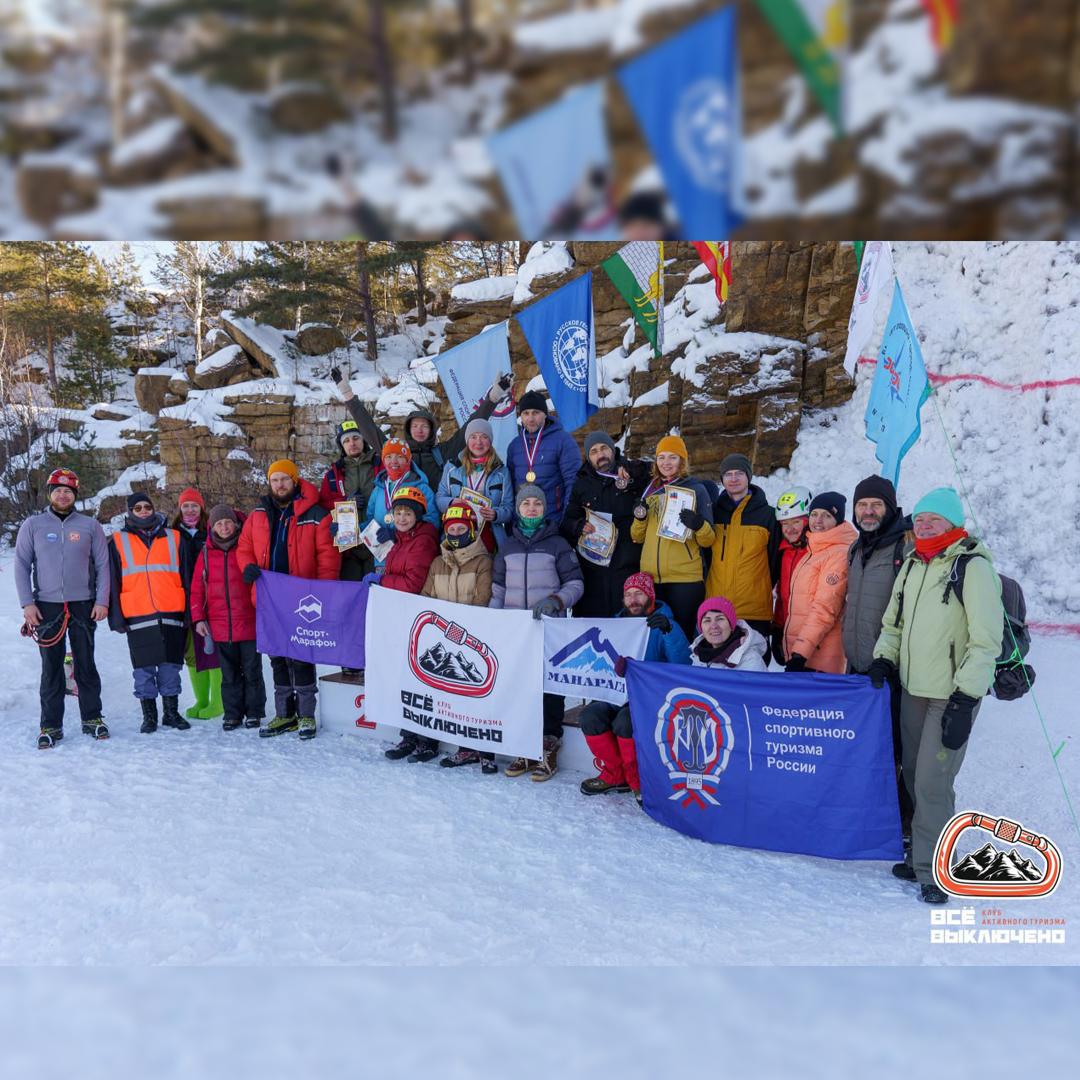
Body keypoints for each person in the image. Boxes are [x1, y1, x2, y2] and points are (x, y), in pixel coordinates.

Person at [870, 487, 1002, 905]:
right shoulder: (913, 564)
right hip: (913, 689)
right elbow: (893, 623)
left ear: (952, 523)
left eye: (934, 519)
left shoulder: (972, 568)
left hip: (951, 695)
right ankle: (923, 854)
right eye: (920, 519)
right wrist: (884, 659)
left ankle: (936, 868)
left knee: (932, 780)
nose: (924, 525)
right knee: (913, 774)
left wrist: (967, 696)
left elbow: (986, 641)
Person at [238, 460, 340, 740]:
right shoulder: (258, 513)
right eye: (275, 480)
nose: (280, 484)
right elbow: (244, 546)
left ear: (295, 481)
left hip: (302, 599)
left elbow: (328, 559)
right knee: (278, 658)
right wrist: (246, 566)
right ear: (269, 483)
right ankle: (284, 714)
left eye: (285, 479)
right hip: (269, 598)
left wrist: (324, 593)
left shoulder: (316, 514)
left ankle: (306, 714)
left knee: (301, 656)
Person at [490, 484, 584, 781]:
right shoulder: (507, 546)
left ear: (545, 509)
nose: (531, 508)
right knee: (520, 688)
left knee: (548, 688)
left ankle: (548, 745)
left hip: (548, 628)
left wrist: (556, 600)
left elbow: (576, 584)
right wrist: (493, 622)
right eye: (526, 504)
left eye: (537, 504)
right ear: (517, 509)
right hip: (516, 632)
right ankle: (524, 747)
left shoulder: (558, 544)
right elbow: (498, 589)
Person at [14, 468, 110, 749]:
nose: (63, 494)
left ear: (75, 495)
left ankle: (92, 718)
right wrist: (27, 603)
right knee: (51, 667)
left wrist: (102, 600)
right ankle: (51, 725)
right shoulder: (33, 525)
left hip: (83, 604)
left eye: (68, 490)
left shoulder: (90, 526)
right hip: (46, 606)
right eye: (57, 490)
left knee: (85, 663)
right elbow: (21, 565)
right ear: (50, 493)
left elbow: (103, 566)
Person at [842, 476, 914, 839]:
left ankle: (903, 823)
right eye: (862, 505)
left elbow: (909, 612)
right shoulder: (859, 547)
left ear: (889, 508)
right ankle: (873, 811)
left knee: (897, 748)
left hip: (894, 667)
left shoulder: (904, 547)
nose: (868, 512)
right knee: (869, 745)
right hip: (859, 665)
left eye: (876, 505)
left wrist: (890, 657)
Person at [580, 572, 690, 801]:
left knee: (625, 723)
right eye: (628, 595)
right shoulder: (617, 623)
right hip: (617, 693)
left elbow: (682, 664)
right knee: (590, 716)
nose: (633, 600)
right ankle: (614, 774)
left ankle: (637, 780)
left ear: (650, 595)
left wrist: (669, 631)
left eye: (638, 594)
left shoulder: (665, 623)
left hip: (649, 697)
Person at [420, 502, 497, 772]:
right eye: (451, 528)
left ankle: (487, 750)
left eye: (461, 528)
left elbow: (483, 598)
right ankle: (465, 749)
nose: (455, 532)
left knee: (477, 693)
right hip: (444, 639)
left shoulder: (483, 561)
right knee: (455, 696)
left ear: (472, 530)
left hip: (471, 639)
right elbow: (426, 599)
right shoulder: (437, 562)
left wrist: (463, 630)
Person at [107, 492, 192, 734]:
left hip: (172, 611)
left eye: (147, 507)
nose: (144, 511)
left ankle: (171, 713)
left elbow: (187, 576)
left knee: (170, 666)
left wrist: (189, 613)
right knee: (143, 669)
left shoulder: (176, 538)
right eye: (138, 508)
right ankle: (149, 715)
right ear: (130, 512)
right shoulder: (117, 541)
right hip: (136, 613)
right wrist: (116, 616)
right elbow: (112, 581)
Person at [629, 435, 714, 641]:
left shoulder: (696, 490)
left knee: (682, 636)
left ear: (682, 461)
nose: (666, 463)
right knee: (656, 638)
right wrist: (639, 517)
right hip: (651, 579)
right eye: (661, 457)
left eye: (673, 457)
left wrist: (698, 524)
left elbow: (708, 539)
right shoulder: (650, 491)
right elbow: (636, 537)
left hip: (685, 580)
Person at [190, 505, 265, 732]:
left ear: (236, 524)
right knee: (229, 674)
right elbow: (196, 591)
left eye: (228, 522)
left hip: (249, 622)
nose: (224, 527)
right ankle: (232, 714)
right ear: (212, 526)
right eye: (219, 523)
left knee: (252, 671)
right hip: (220, 626)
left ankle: (253, 713)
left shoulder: (246, 547)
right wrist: (198, 619)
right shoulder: (205, 553)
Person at [561, 431, 650, 618]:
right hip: (593, 570)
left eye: (604, 448)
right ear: (588, 456)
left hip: (627, 566)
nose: (600, 454)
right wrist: (578, 526)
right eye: (593, 451)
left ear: (613, 450)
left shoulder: (629, 474)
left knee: (626, 625)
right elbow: (567, 521)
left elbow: (653, 471)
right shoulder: (582, 482)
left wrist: (632, 471)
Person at [704, 453, 780, 663]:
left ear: (749, 477)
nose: (734, 478)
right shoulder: (713, 514)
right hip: (717, 610)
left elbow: (774, 562)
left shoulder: (767, 515)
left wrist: (757, 585)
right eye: (728, 474)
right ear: (722, 479)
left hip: (754, 610)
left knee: (753, 669)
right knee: (718, 670)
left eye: (739, 473)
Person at [780, 492, 857, 674]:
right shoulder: (815, 550)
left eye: (827, 516)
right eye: (814, 514)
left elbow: (824, 609)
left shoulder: (838, 554)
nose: (818, 521)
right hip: (806, 654)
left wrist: (799, 653)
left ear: (837, 521)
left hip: (819, 660)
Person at [323, 370, 390, 579]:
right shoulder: (333, 475)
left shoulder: (382, 463)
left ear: (364, 440)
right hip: (348, 546)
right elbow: (324, 505)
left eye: (355, 438)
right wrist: (341, 509)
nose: (352, 443)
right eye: (346, 441)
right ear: (342, 446)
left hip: (378, 541)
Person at [401, 371, 511, 491]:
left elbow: (469, 427)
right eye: (415, 426)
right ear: (408, 429)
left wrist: (492, 399)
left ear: (431, 430)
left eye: (424, 426)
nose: (419, 430)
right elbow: (377, 439)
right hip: (403, 509)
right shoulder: (398, 454)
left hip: (437, 509)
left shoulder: (441, 453)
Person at [171, 486, 223, 721]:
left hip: (210, 598)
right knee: (191, 653)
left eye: (194, 505)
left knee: (211, 649)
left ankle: (217, 702)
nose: (190, 509)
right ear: (179, 509)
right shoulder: (171, 534)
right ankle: (201, 699)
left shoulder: (212, 531)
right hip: (182, 600)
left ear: (201, 507)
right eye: (185, 505)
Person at [435, 418, 515, 552]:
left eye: (484, 437)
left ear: (490, 441)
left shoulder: (501, 471)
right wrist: (452, 502)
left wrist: (495, 514)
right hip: (458, 532)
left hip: (488, 534)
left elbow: (509, 508)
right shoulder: (452, 467)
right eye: (473, 437)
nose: (478, 442)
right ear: (467, 440)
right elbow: (439, 498)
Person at [504, 390, 582, 524]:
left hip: (553, 522)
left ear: (545, 414)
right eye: (526, 413)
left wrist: (565, 520)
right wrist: (513, 523)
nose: (530, 418)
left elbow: (573, 483)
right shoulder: (515, 445)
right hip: (522, 525)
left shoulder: (563, 440)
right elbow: (510, 487)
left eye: (536, 413)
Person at [363, 439, 439, 543]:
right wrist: (348, 529)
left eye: (399, 456)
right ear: (383, 460)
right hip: (381, 555)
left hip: (409, 553)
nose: (393, 461)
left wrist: (397, 535)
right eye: (389, 457)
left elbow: (432, 523)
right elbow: (370, 520)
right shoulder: (378, 488)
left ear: (408, 459)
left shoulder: (421, 488)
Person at [771, 486, 812, 666]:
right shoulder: (784, 552)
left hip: (813, 637)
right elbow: (783, 595)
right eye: (784, 523)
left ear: (807, 520)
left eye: (795, 522)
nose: (789, 529)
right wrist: (779, 626)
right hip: (789, 632)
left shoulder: (816, 551)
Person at [690, 596, 768, 671]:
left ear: (731, 625)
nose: (713, 626)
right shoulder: (698, 656)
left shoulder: (750, 659)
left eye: (720, 619)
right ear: (701, 628)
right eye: (707, 620)